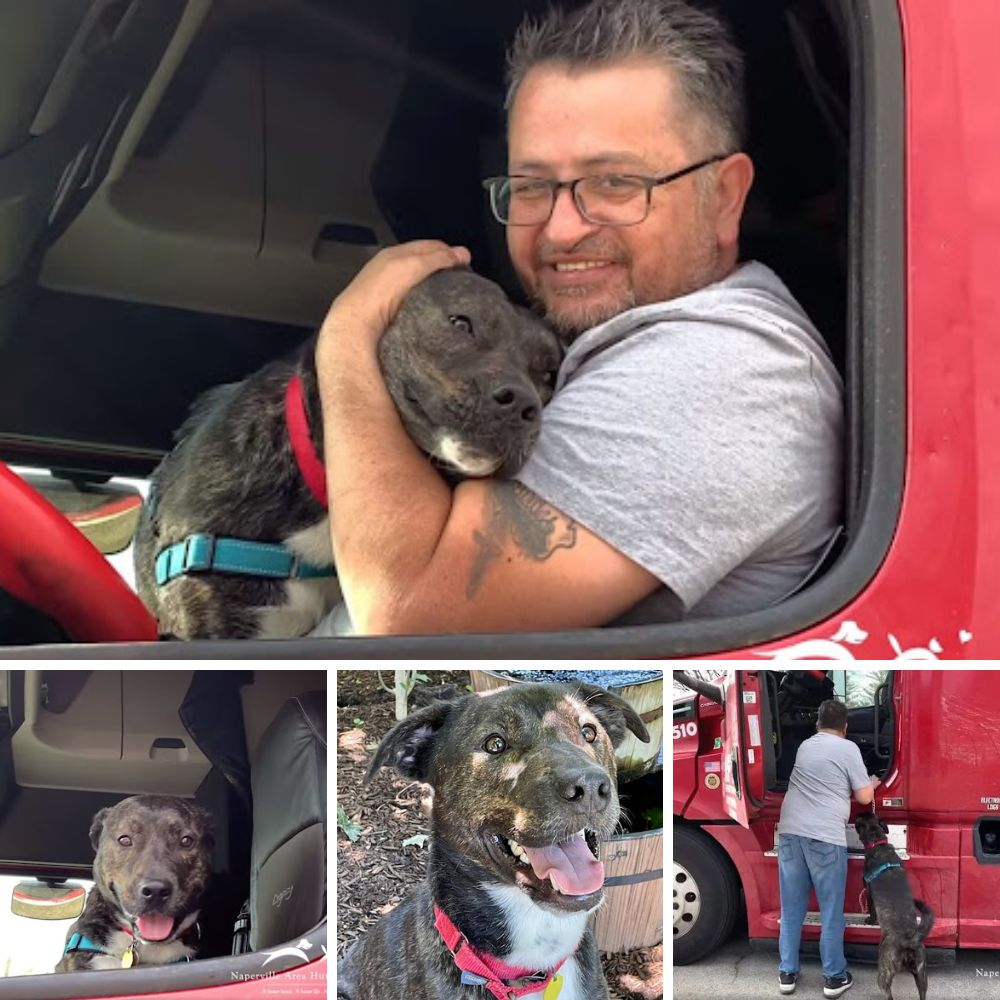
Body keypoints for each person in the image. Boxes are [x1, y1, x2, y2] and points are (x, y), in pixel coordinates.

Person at [312, 0, 843, 635]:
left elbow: (403, 621)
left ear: (724, 195)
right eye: (532, 186)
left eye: (616, 183)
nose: (561, 230)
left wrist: (347, 334)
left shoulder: (725, 369)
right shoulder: (639, 347)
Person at [776, 698, 880, 998]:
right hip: (824, 836)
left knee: (791, 909)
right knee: (831, 911)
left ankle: (787, 973)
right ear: (845, 727)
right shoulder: (848, 748)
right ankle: (834, 978)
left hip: (790, 832)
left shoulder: (807, 745)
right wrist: (871, 782)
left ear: (817, 724)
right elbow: (862, 798)